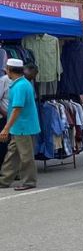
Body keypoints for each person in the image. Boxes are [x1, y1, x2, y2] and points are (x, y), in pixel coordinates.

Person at [0, 59, 40, 190]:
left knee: (25, 155)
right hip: (19, 127)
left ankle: (29, 181)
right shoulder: (21, 83)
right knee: (12, 154)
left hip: (23, 126)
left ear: (10, 70)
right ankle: (4, 180)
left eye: (6, 68)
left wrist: (6, 128)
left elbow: (17, 108)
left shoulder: (20, 86)